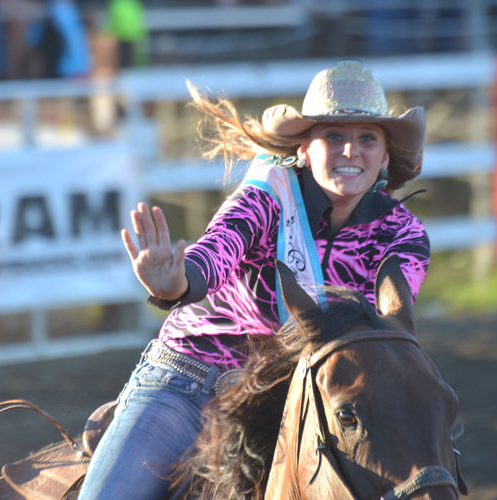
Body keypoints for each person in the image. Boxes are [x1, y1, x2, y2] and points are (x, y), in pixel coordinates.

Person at [77, 60, 430, 499]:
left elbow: (388, 320)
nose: (349, 151)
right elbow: (218, 248)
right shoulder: (266, 199)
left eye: (366, 138)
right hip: (188, 384)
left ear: (384, 157)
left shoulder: (402, 234)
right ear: (304, 149)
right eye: (333, 136)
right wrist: (177, 284)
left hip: (298, 401)